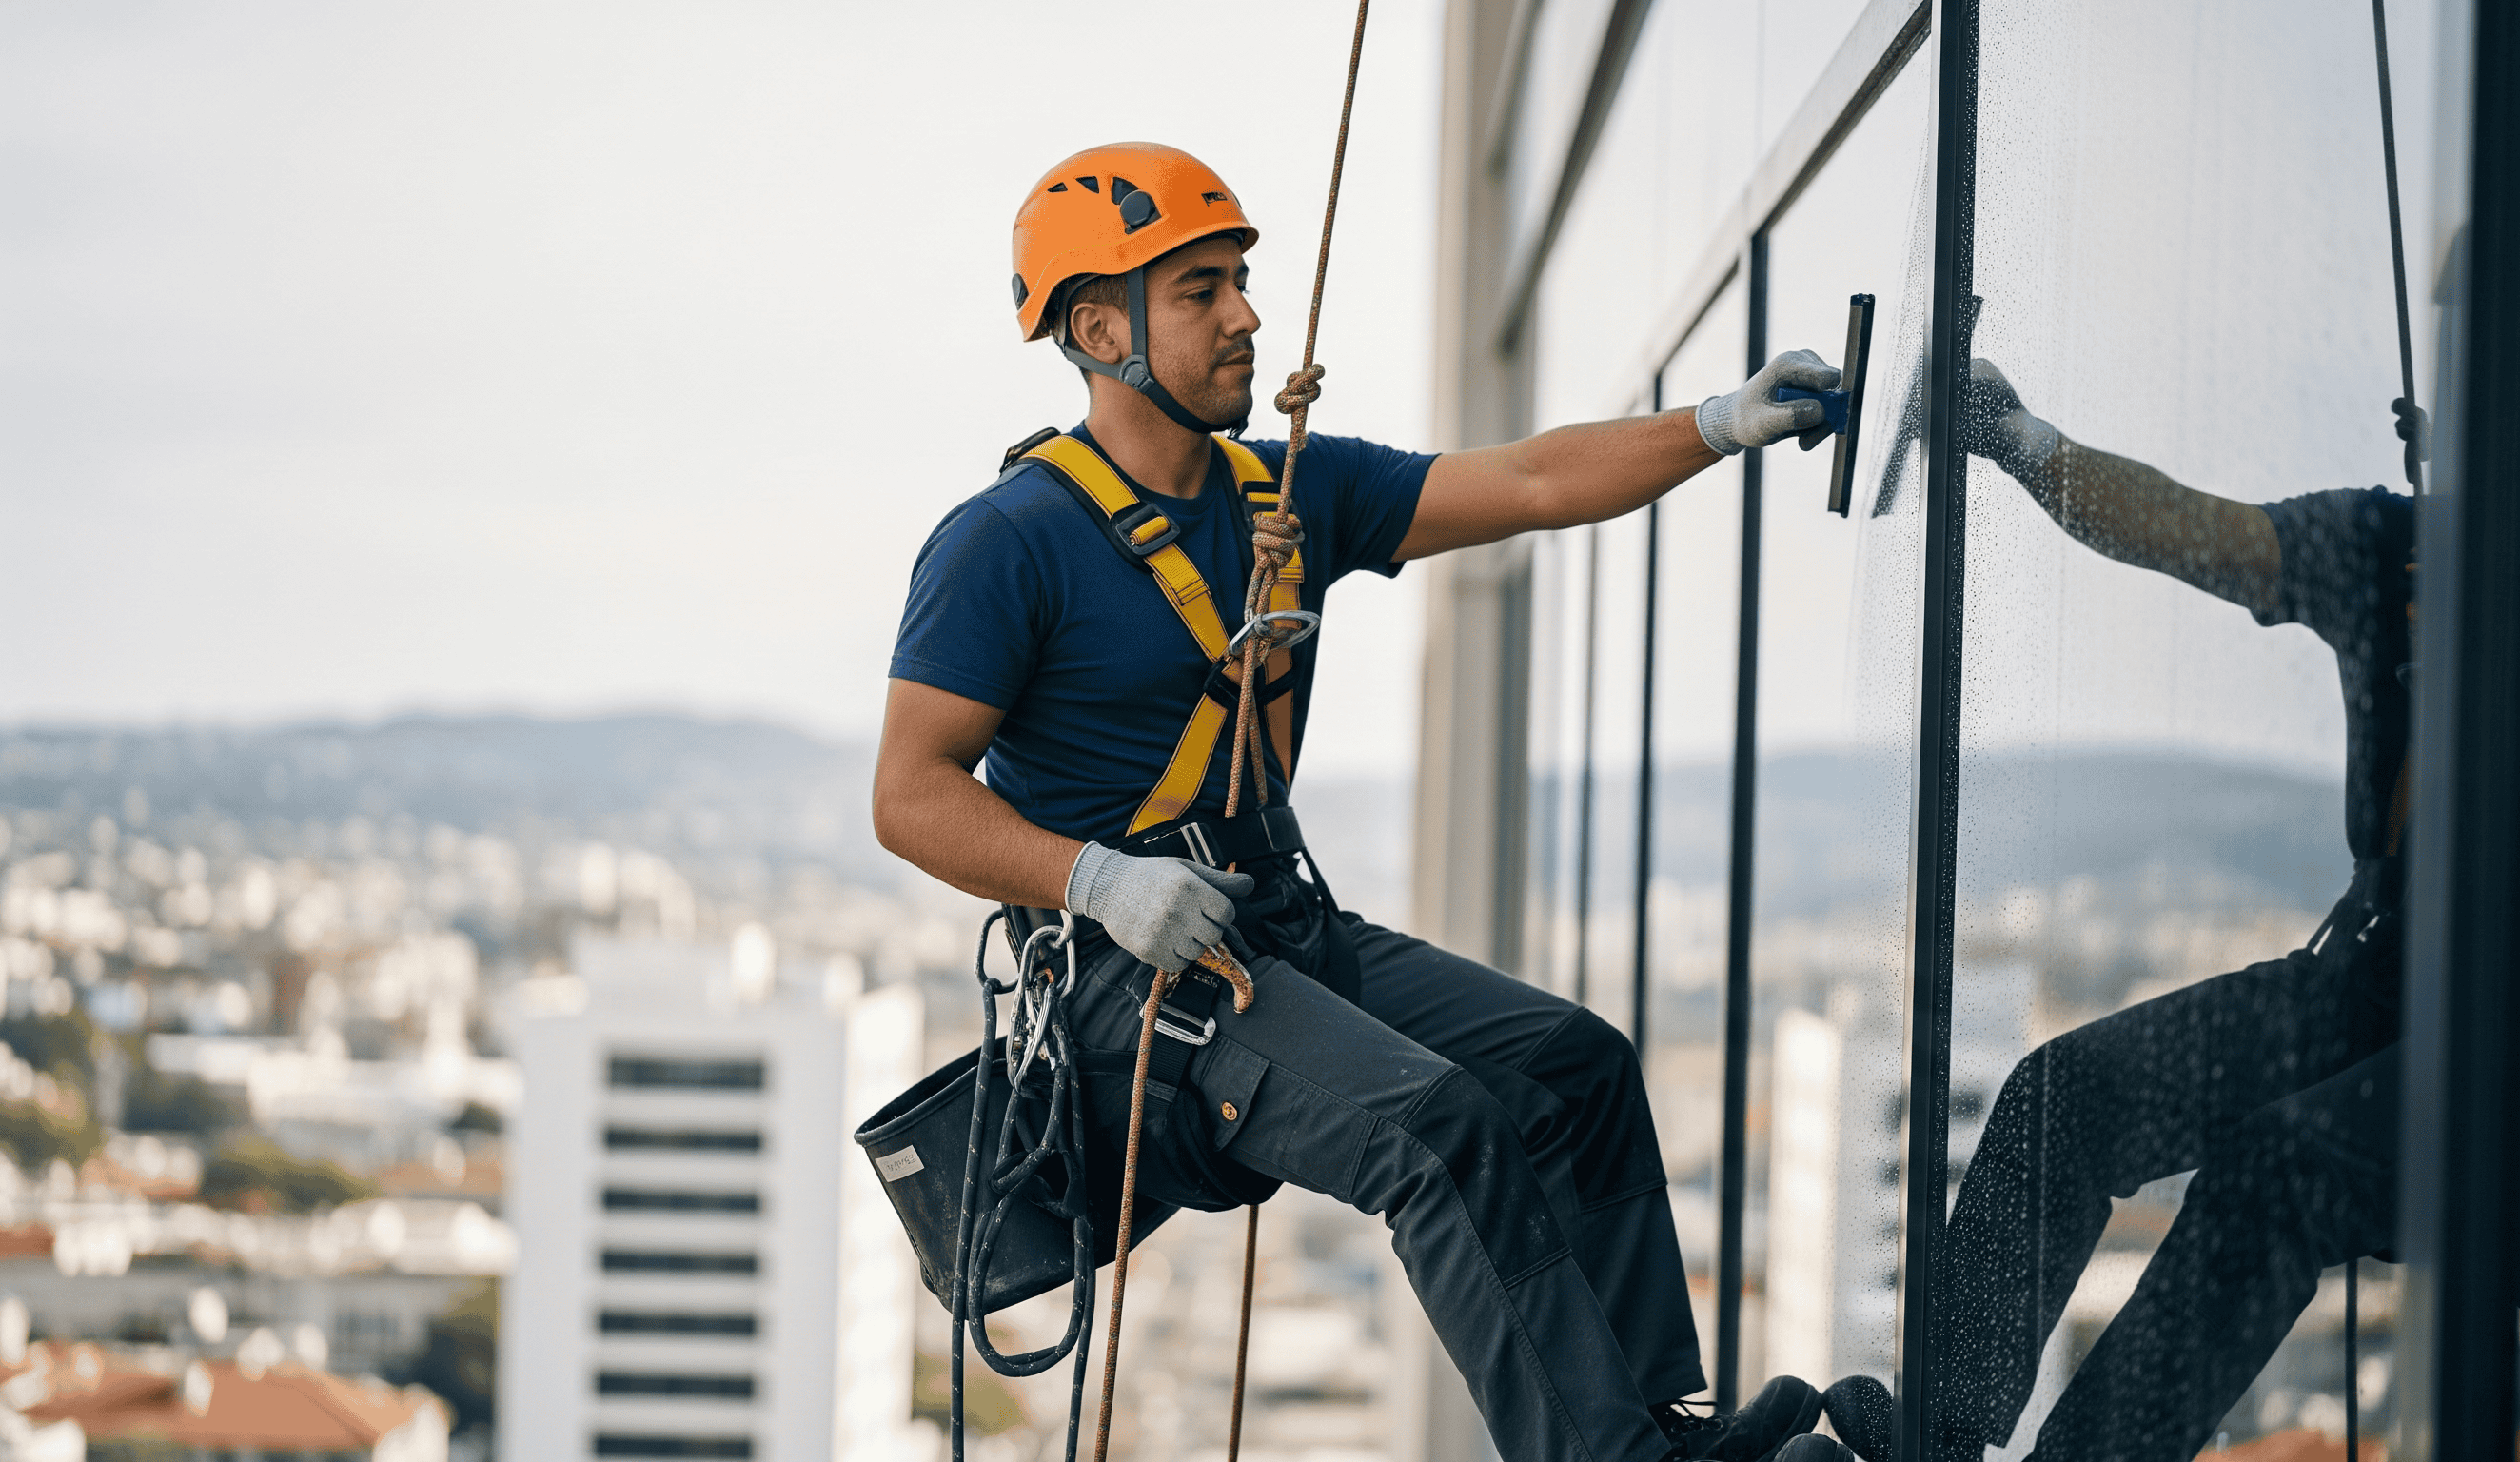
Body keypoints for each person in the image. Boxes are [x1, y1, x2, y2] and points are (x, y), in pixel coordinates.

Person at [875, 141, 1843, 1462]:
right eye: (1202, 291)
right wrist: (1097, 883)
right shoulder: (1007, 542)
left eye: (1241, 282)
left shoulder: (1290, 490)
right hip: (1137, 985)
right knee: (1435, 1131)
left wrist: (1715, 425)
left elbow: (1530, 481)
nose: (1245, 316)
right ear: (1099, 330)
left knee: (1574, 1071)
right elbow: (909, 797)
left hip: (1272, 929)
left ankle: (1656, 1430)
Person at [1828, 359, 2412, 1462]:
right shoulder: (2401, 551)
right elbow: (2192, 532)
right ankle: (1935, 1438)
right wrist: (2022, 445)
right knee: (2061, 1103)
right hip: (2385, 978)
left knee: (2277, 1172)